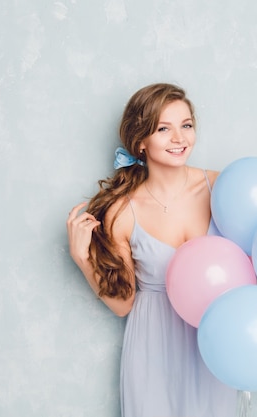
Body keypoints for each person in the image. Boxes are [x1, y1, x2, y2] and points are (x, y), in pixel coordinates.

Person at [66, 83, 237, 416]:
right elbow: (123, 304)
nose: (179, 138)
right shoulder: (122, 211)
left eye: (186, 125)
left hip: (216, 340)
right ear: (140, 140)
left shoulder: (223, 187)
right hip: (155, 346)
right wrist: (82, 257)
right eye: (163, 128)